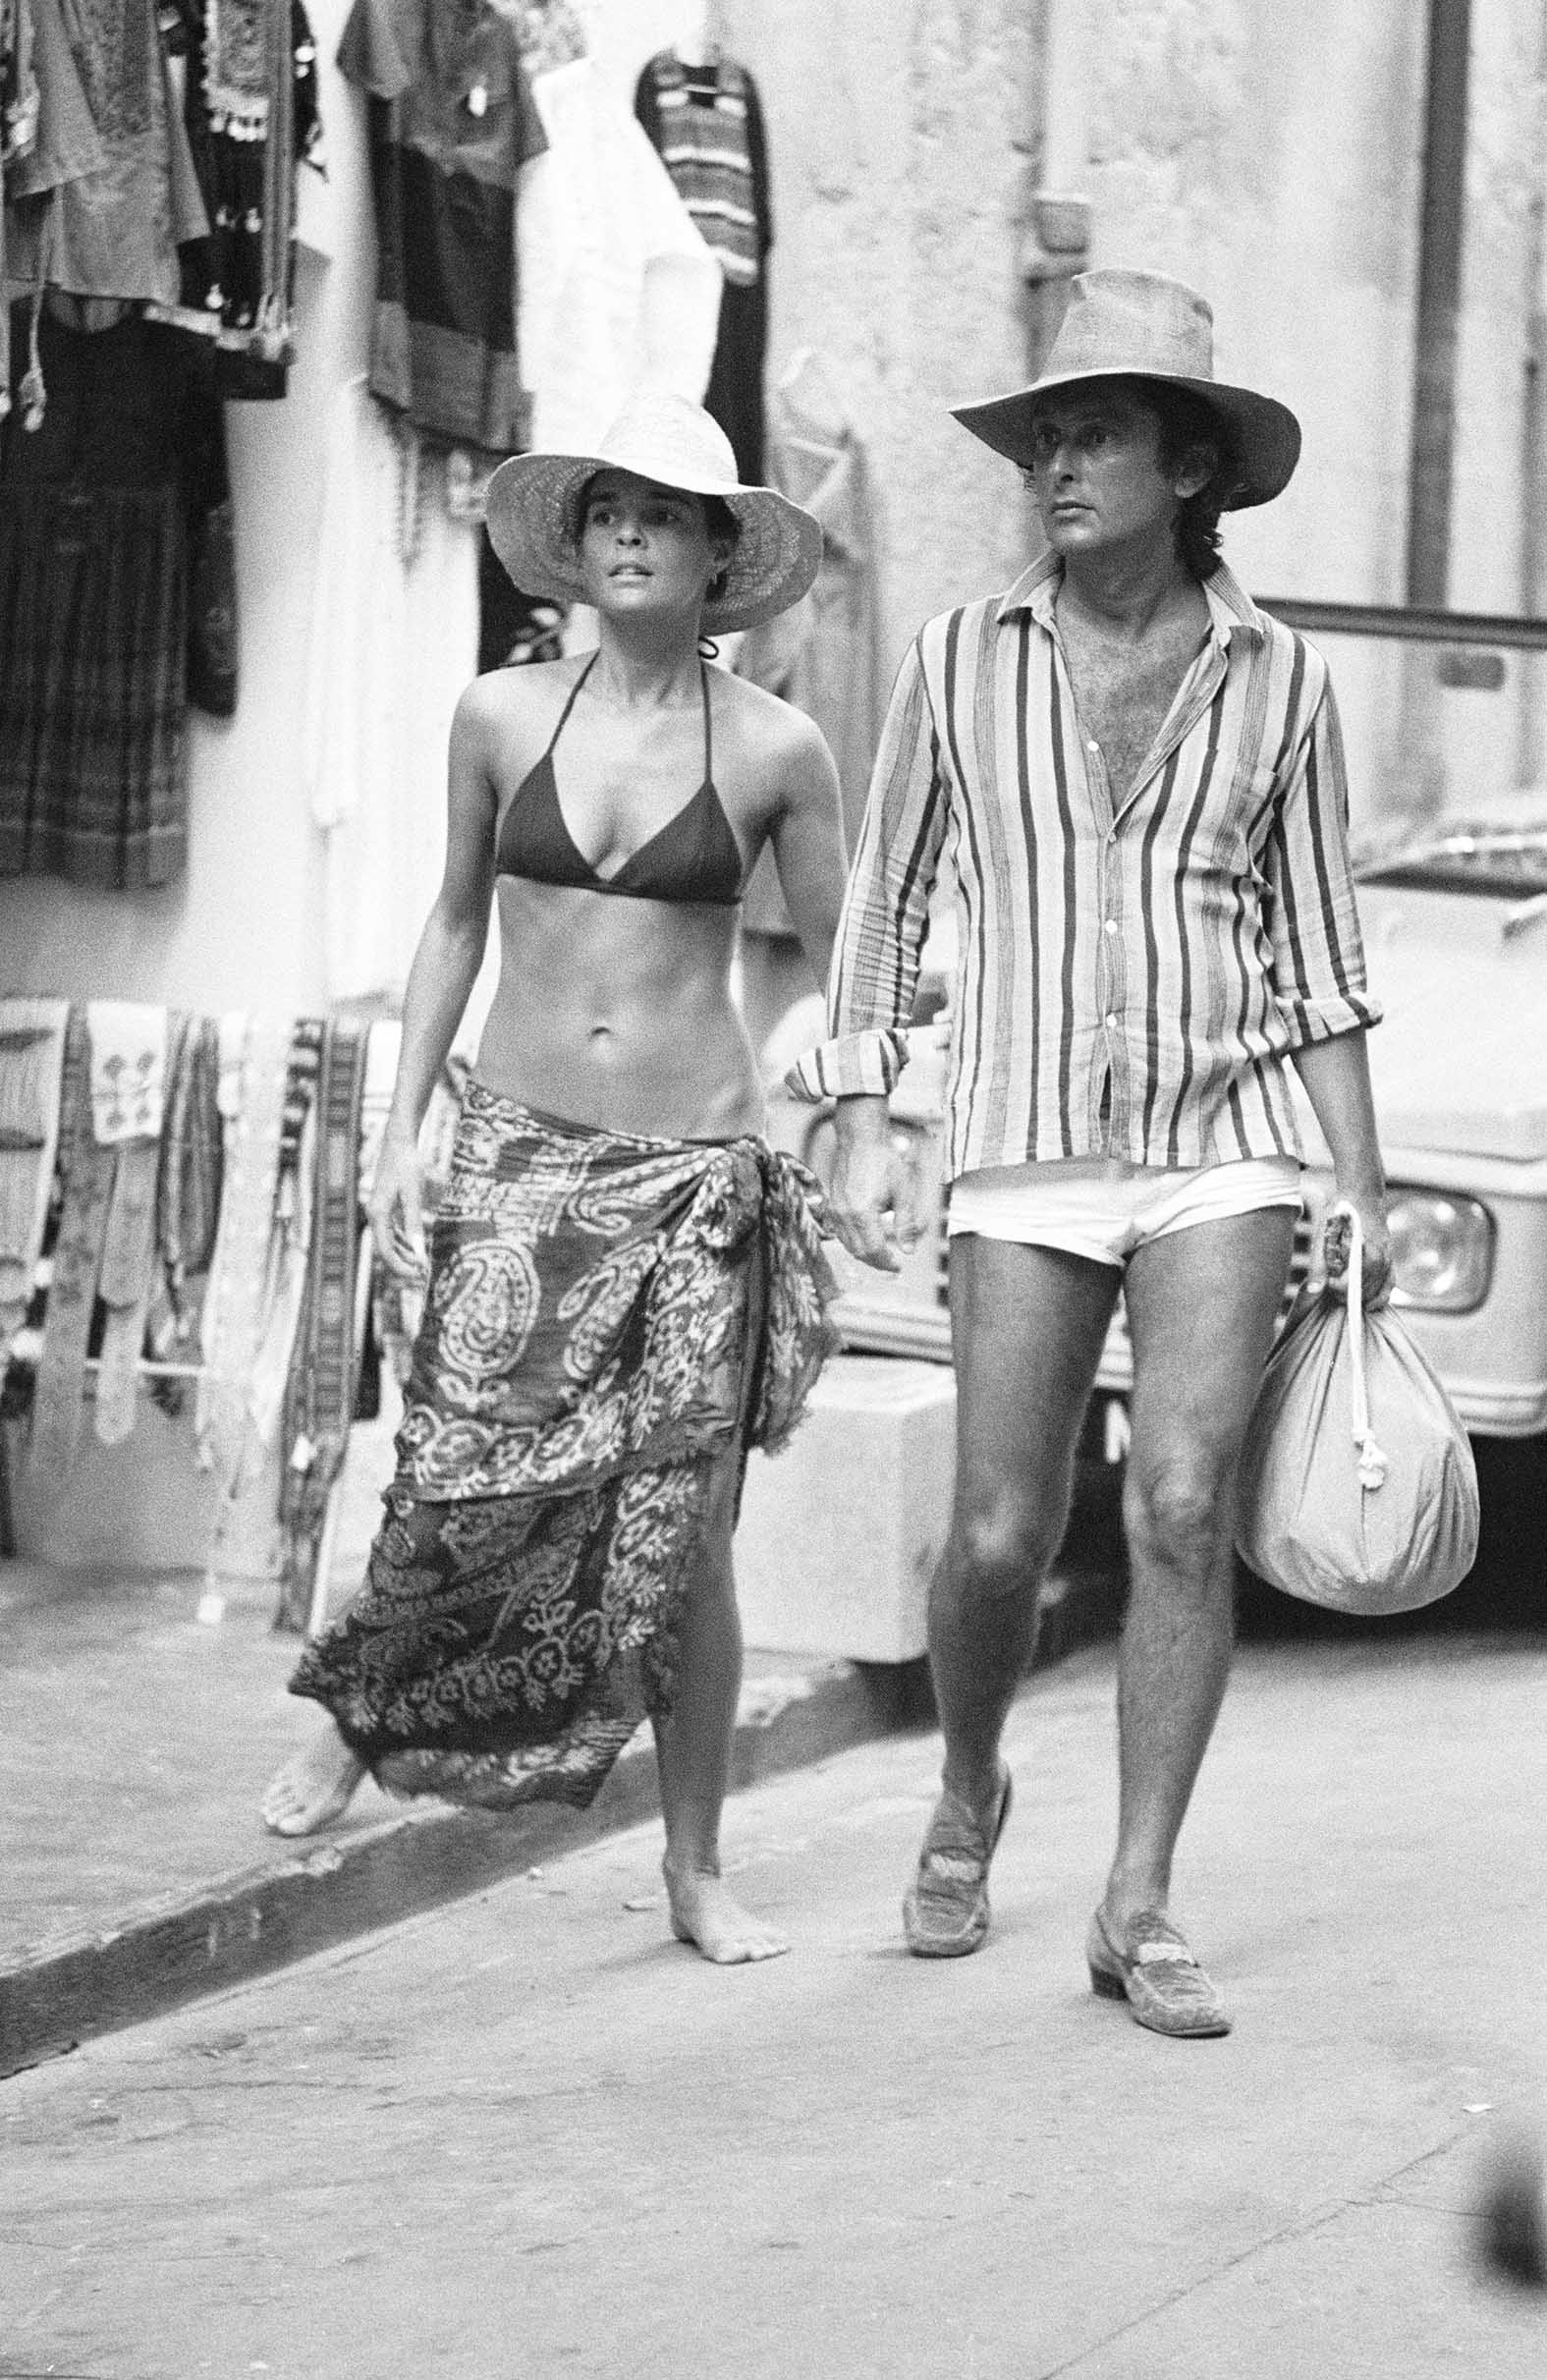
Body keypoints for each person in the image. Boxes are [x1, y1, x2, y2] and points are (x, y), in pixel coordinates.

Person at [796, 268, 1391, 2034]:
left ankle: (1140, 1898)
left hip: (1228, 1139)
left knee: (1185, 1506)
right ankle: (971, 1780)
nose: (1057, 466)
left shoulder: (1280, 682)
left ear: (1186, 468)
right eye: (1045, 436)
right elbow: (885, 893)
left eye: (1096, 435)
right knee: (995, 1532)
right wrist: (859, 1097)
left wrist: (1355, 1185)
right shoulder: (959, 660)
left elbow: (1326, 956)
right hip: (1025, 1137)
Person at [260, 392, 847, 1966]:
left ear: (722, 552)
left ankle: (696, 1865)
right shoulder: (500, 715)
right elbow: (455, 922)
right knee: (457, 1465)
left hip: (690, 1182)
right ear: (577, 549)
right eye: (607, 512)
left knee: (686, 1533)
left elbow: (831, 978)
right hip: (514, 1152)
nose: (632, 532)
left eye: (665, 512)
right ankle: (360, 1708)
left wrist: (804, 1131)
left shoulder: (782, 749)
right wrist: (402, 1135)